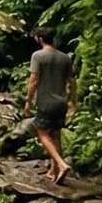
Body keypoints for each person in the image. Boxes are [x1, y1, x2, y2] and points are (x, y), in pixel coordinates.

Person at [26, 29, 76, 185]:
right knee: (55, 135)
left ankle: (61, 165)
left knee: (42, 134)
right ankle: (54, 172)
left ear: (40, 39)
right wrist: (73, 102)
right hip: (61, 103)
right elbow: (73, 82)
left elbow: (33, 80)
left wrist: (28, 100)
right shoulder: (65, 58)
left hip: (46, 102)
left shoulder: (38, 56)